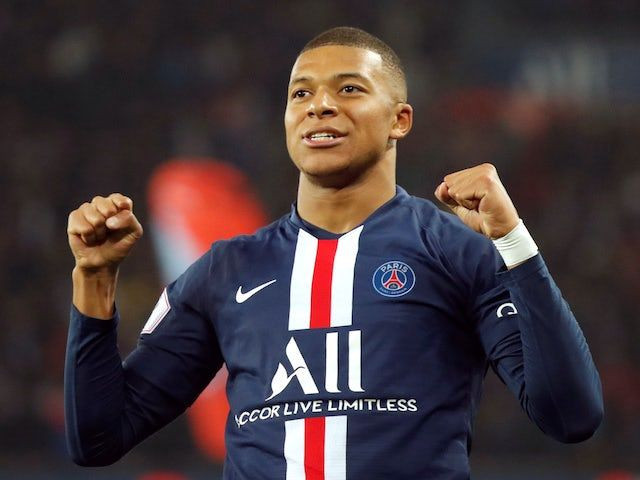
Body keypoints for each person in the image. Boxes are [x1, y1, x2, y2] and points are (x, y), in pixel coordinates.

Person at [65, 27, 603, 479]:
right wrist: (94, 277)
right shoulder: (227, 270)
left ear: (399, 120)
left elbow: (570, 415)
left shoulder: (455, 252)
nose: (319, 105)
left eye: (348, 88)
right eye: (300, 94)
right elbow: (98, 438)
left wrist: (514, 242)